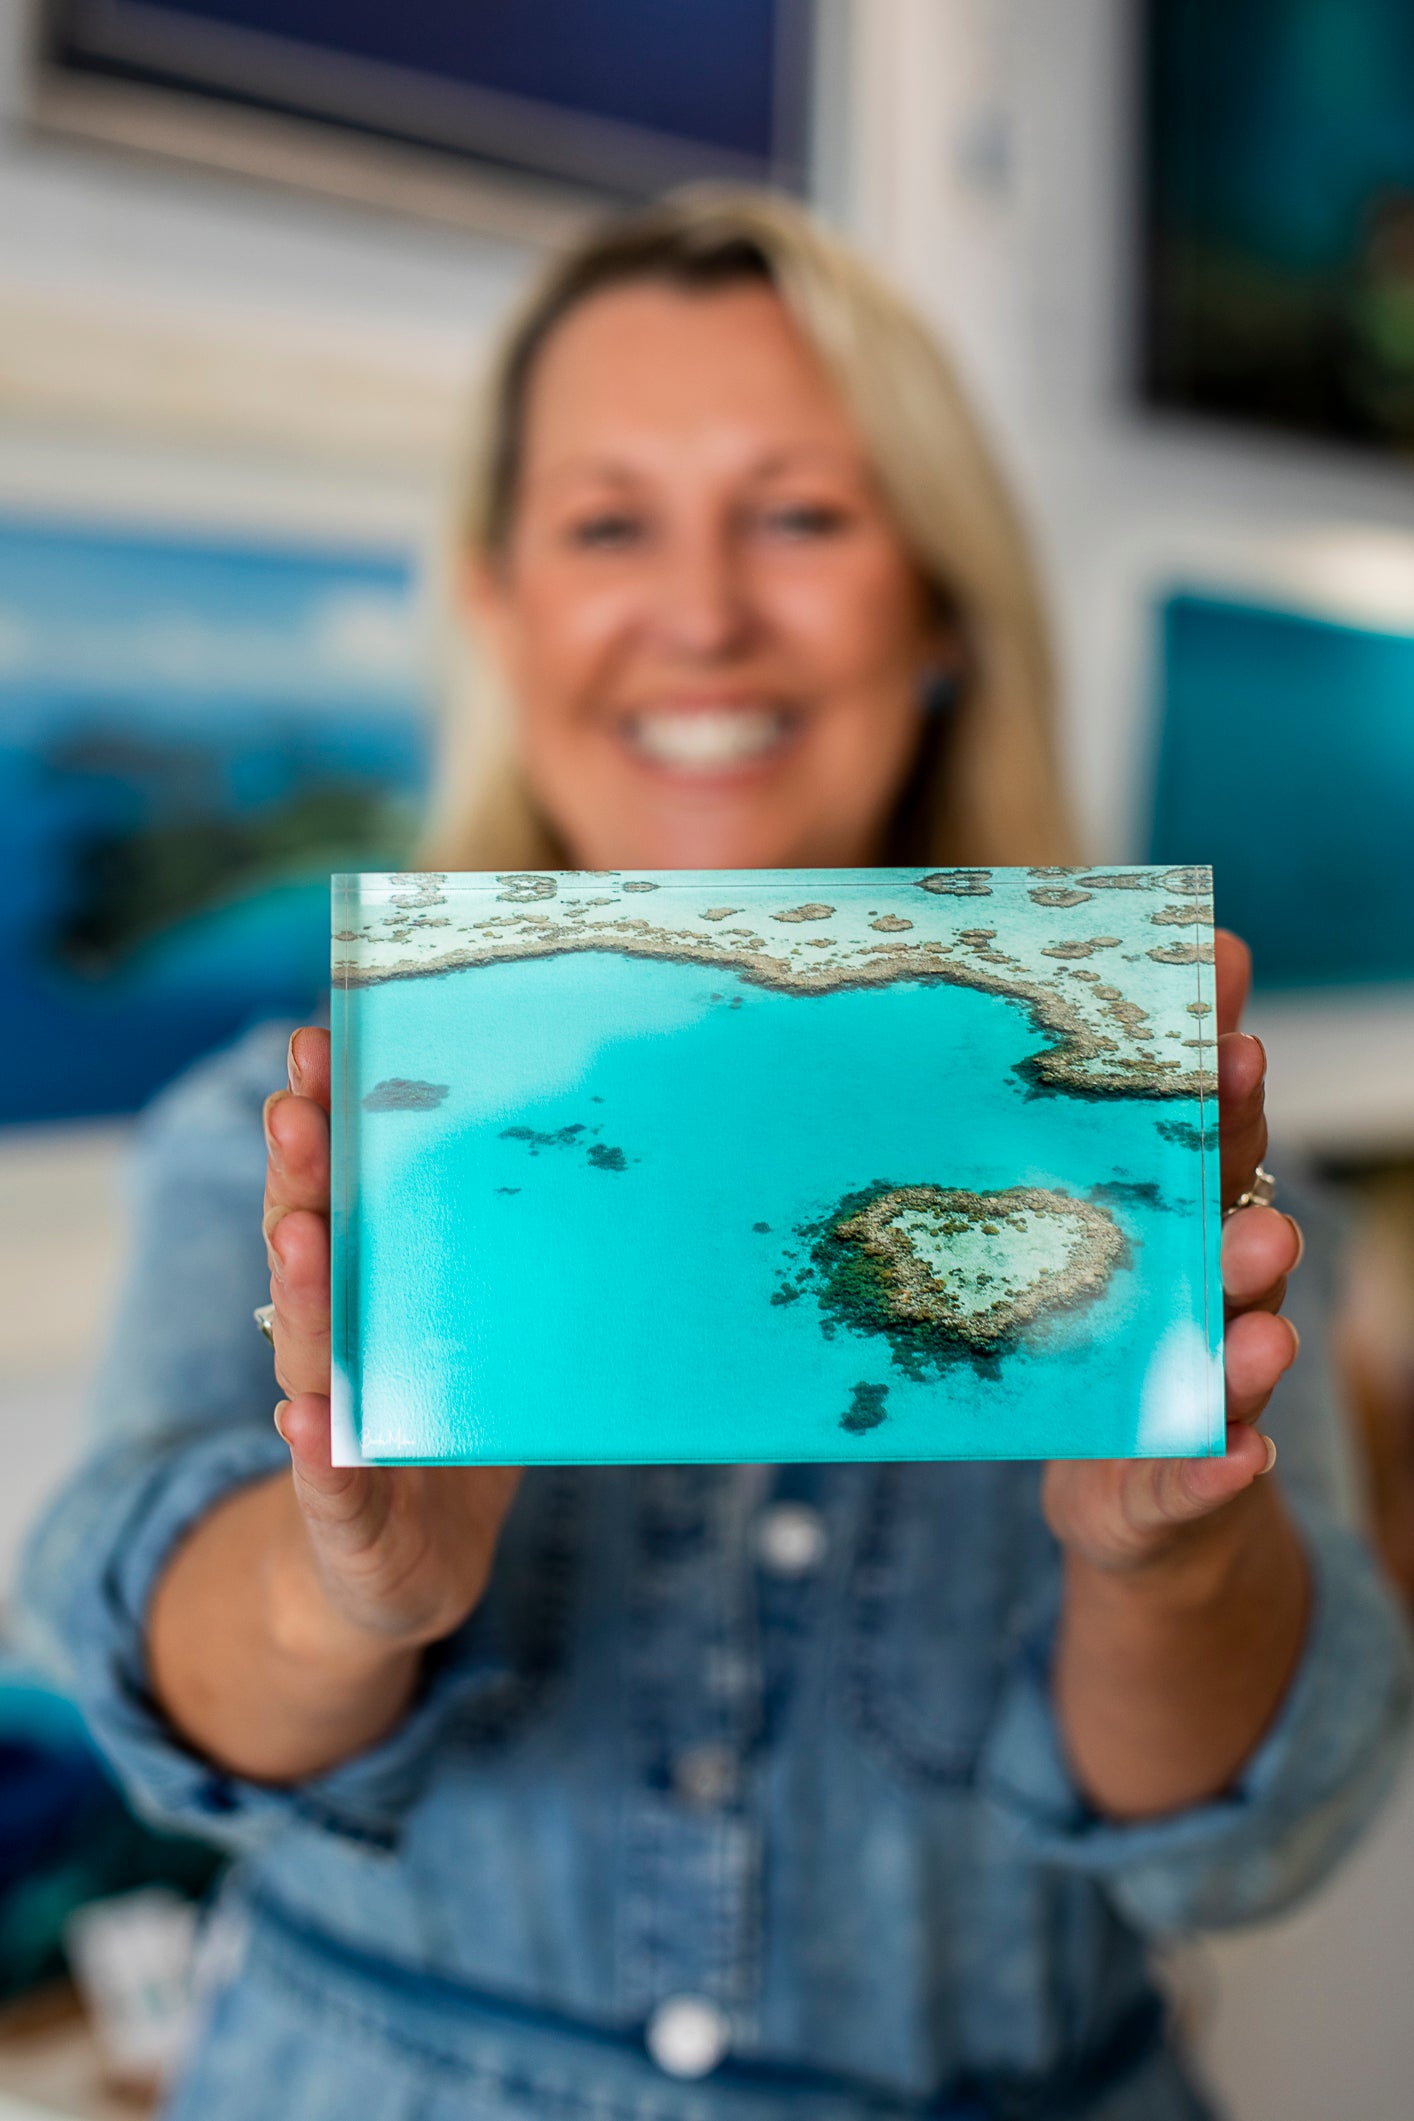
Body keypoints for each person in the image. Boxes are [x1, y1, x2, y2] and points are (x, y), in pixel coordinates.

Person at [20, 189, 1411, 2121]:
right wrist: (344, 1590)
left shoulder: (1181, 1162)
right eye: (608, 523)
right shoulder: (290, 1116)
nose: (700, 611)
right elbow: (134, 1665)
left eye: (801, 514)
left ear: (933, 602)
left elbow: (1249, 1845)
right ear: (501, 604)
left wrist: (1162, 1573)